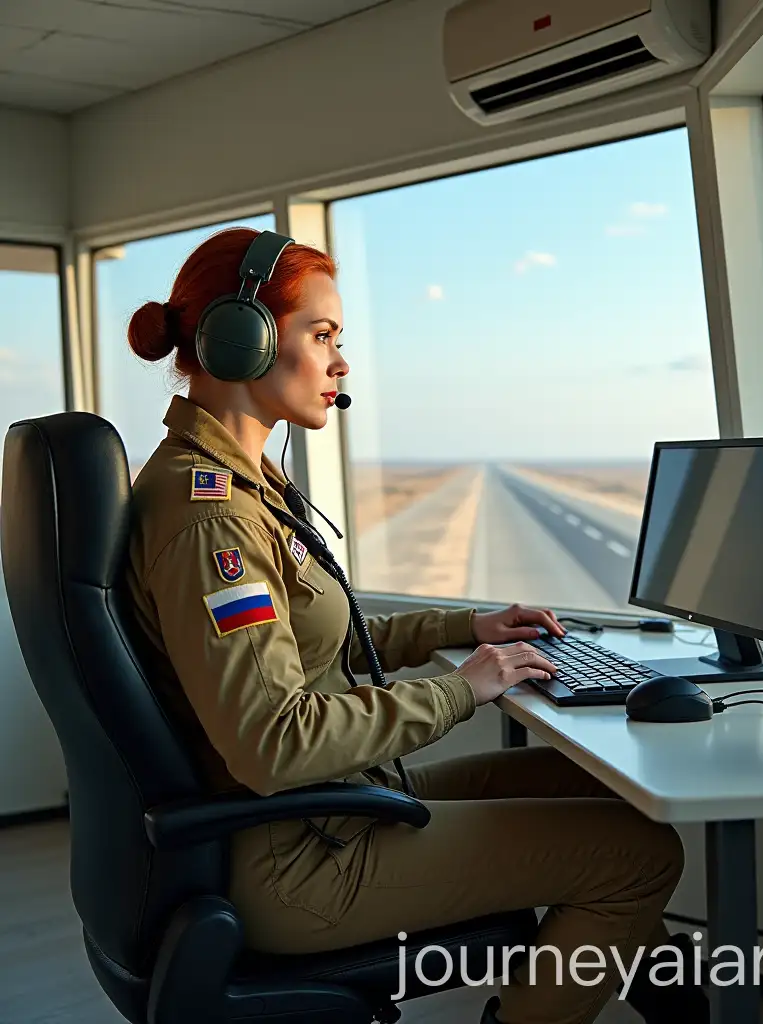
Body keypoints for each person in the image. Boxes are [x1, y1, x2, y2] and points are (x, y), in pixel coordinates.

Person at [122, 225, 709, 1024]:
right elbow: (273, 742)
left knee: (594, 785)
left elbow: (317, 634)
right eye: (321, 335)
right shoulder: (210, 519)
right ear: (243, 339)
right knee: (641, 855)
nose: (341, 362)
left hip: (332, 807)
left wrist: (473, 626)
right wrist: (460, 690)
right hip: (299, 859)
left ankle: (679, 1009)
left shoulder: (247, 482)